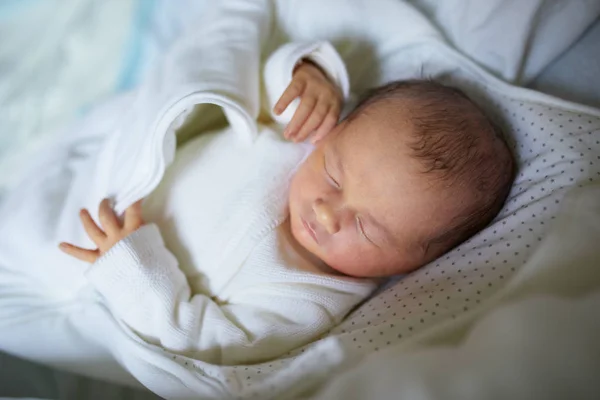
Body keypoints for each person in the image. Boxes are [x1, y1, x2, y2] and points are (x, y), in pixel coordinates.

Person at [57, 44, 515, 365]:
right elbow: (266, 90)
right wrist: (307, 74)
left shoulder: (307, 303)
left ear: (416, 264)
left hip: (103, 261)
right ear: (338, 131)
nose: (325, 211)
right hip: (119, 167)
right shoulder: (307, 141)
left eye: (368, 228)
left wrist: (134, 270)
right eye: (333, 175)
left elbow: (202, 344)